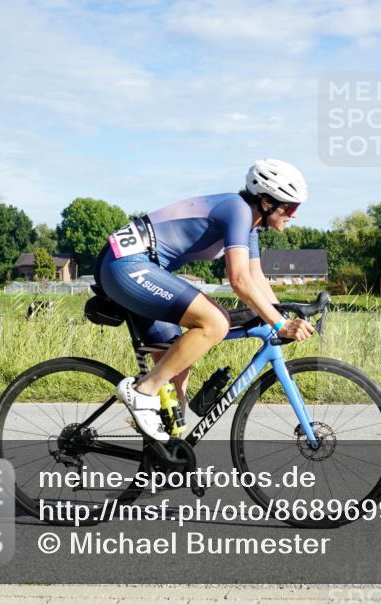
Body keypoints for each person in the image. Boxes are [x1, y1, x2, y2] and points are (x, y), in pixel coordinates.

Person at [93, 159, 316, 440]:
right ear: (266, 201)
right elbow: (239, 281)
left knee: (177, 371)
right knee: (215, 323)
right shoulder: (237, 211)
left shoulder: (249, 227)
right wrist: (280, 324)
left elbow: (256, 278)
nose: (294, 215)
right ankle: (140, 392)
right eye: (291, 207)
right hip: (126, 265)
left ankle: (165, 457)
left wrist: (286, 313)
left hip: (143, 269)